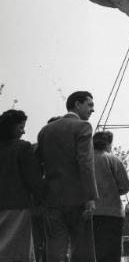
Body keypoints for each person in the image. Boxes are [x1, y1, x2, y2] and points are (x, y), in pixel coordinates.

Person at [36, 90, 98, 262]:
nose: (92, 110)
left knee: (55, 246)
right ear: (77, 104)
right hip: (78, 199)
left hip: (51, 199)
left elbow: (38, 165)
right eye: (90, 105)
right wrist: (90, 197)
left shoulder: (45, 131)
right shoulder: (83, 127)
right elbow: (85, 162)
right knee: (82, 248)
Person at [0, 109, 43, 262]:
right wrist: (43, 199)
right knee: (19, 251)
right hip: (17, 207)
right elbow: (34, 179)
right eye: (21, 127)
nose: (24, 132)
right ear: (10, 128)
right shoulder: (22, 148)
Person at [92, 130, 129, 262]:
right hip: (113, 214)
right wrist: (114, 190)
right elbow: (126, 186)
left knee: (94, 252)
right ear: (108, 144)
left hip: (91, 213)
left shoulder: (84, 159)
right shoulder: (114, 160)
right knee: (112, 253)